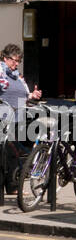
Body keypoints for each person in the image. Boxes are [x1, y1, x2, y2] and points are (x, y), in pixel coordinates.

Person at [1, 44, 40, 194]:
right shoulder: (1, 70)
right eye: (14, 60)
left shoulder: (17, 75)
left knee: (14, 153)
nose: (16, 64)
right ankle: (12, 186)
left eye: (18, 61)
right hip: (3, 118)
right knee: (9, 152)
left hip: (18, 118)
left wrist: (32, 95)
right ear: (5, 58)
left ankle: (12, 186)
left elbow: (24, 94)